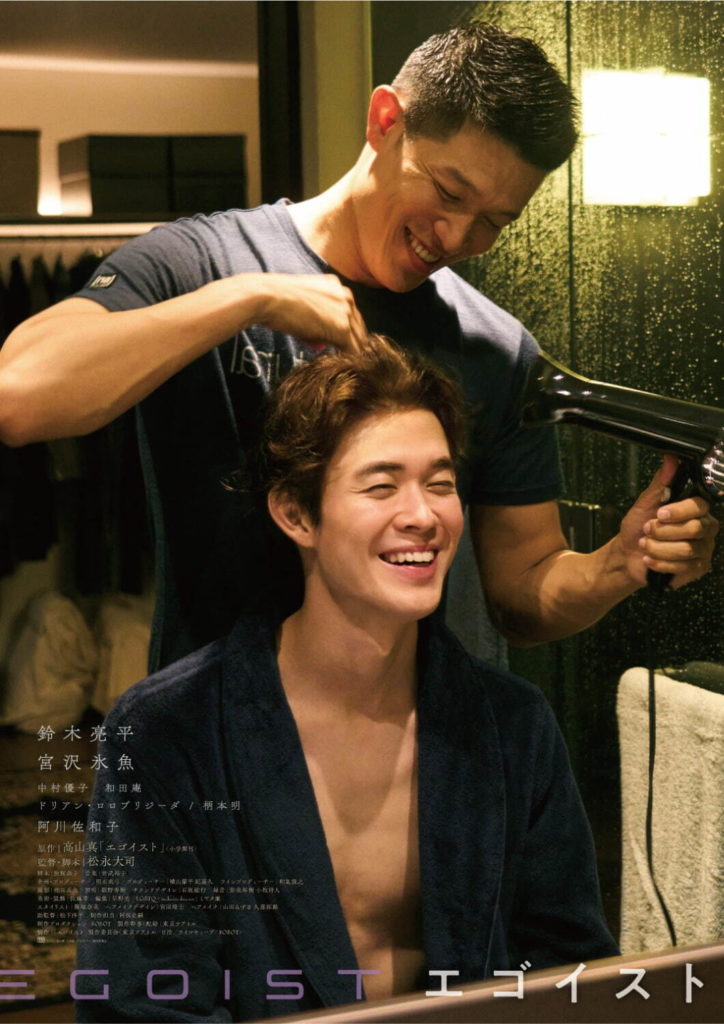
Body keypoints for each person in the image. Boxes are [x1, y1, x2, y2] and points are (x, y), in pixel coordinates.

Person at [0, 24, 717, 670]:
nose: (457, 238)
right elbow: (20, 396)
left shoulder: (498, 351)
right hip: (217, 739)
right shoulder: (200, 262)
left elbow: (519, 597)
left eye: (494, 222)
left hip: (419, 744)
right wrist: (247, 299)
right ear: (385, 121)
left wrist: (616, 565)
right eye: (449, 192)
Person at [75, 337, 618, 1022]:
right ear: (296, 514)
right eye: (381, 486)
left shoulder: (512, 723)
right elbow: (143, 1004)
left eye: (440, 483)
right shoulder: (169, 729)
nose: (422, 515)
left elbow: (570, 973)